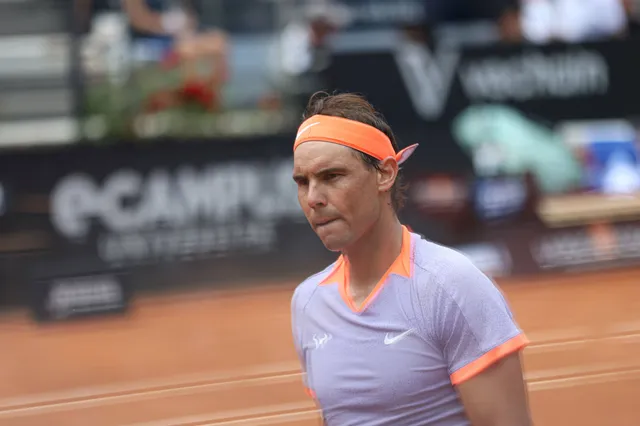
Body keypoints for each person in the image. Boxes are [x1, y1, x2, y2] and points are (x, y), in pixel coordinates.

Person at [290, 92, 532, 425]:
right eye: (303, 182)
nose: (314, 198)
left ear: (385, 174)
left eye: (332, 176)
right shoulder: (307, 302)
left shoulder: (452, 286)